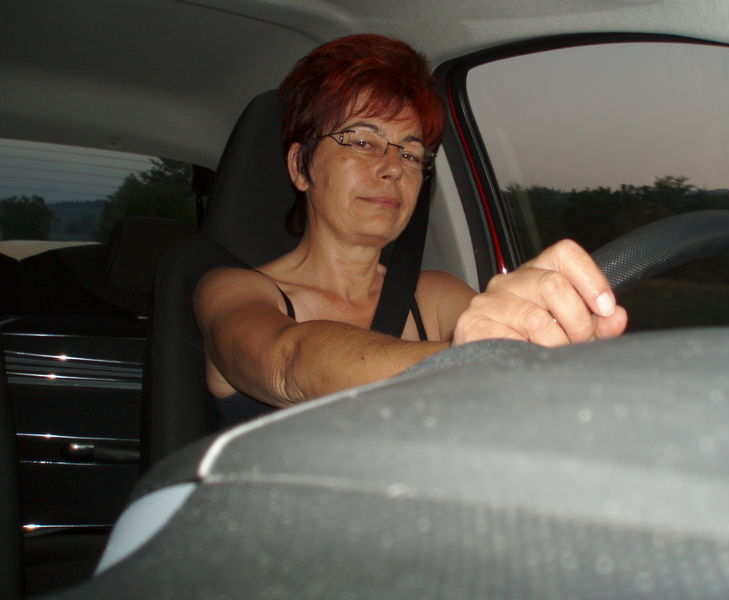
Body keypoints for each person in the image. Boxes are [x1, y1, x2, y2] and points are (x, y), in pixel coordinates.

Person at [194, 34, 627, 414]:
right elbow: (289, 362)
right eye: (362, 141)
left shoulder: (435, 296)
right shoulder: (231, 290)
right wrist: (461, 363)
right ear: (300, 166)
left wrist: (551, 344)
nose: (392, 168)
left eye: (410, 152)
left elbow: (514, 360)